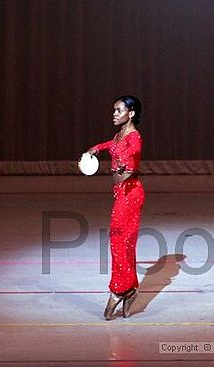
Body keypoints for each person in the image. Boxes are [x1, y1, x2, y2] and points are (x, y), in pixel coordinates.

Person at [85, 95, 145, 320]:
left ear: (131, 114)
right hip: (121, 194)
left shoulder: (134, 138)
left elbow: (132, 157)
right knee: (124, 242)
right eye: (114, 110)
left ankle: (119, 289)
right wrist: (97, 149)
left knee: (118, 241)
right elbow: (113, 145)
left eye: (119, 110)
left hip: (130, 194)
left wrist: (123, 168)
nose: (114, 113)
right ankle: (129, 289)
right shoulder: (120, 135)